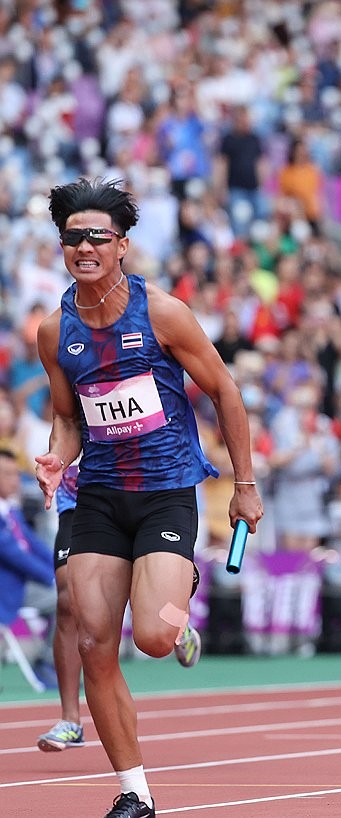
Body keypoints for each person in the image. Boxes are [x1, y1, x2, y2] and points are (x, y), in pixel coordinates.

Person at [34, 178, 264, 818]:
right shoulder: (55, 332)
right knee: (92, 642)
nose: (84, 247)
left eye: (96, 237)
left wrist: (243, 485)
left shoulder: (162, 312)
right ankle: (135, 792)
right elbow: (68, 417)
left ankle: (177, 612)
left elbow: (224, 391)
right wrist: (57, 456)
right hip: (99, 496)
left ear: (122, 246)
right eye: (72, 237)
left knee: (155, 640)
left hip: (165, 494)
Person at [35, 463, 85, 752]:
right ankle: (70, 720)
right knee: (66, 600)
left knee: (152, 615)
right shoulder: (67, 415)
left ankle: (177, 619)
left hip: (136, 490)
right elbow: (62, 431)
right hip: (77, 499)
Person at [0, 448, 56, 689]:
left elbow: (34, 546)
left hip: (21, 584)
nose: (15, 479)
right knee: (65, 599)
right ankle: (48, 663)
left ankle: (48, 660)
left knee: (68, 594)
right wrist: (51, 578)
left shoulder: (10, 509)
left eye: (15, 473)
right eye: (7, 474)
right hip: (8, 590)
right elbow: (15, 555)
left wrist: (61, 568)